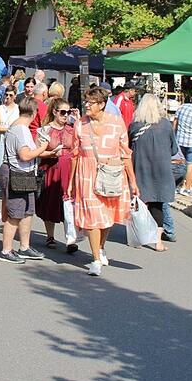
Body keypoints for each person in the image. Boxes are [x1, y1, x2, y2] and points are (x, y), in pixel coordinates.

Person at [67, 86, 138, 276]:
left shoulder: (117, 123)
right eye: (86, 102)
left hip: (111, 175)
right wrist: (71, 182)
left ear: (102, 104)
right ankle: (96, 260)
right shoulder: (80, 124)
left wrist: (133, 181)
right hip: (86, 175)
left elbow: (125, 154)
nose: (87, 105)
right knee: (93, 219)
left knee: (107, 217)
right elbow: (74, 154)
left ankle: (100, 248)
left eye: (91, 103)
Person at [0, 97, 48, 264]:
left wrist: (46, 150)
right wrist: (42, 148)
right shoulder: (20, 130)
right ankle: (6, 250)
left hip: (23, 173)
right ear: (34, 113)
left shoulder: (19, 127)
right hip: (16, 172)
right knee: (15, 213)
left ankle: (24, 247)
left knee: (27, 210)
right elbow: (25, 155)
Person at [128, 94, 178, 252]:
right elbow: (174, 150)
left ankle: (138, 238)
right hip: (161, 170)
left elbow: (128, 148)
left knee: (139, 203)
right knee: (158, 204)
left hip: (140, 167)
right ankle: (158, 242)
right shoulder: (166, 125)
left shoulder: (135, 126)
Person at [37, 97, 78, 253]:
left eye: (68, 112)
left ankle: (70, 239)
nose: (66, 115)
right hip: (52, 169)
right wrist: (51, 153)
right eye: (63, 112)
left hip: (69, 169)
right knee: (51, 203)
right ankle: (50, 236)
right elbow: (38, 151)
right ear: (55, 112)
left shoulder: (72, 129)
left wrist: (78, 120)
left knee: (69, 204)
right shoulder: (46, 130)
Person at [0, 87, 19, 178]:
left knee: (12, 163)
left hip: (13, 139)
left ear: (15, 96)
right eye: (6, 94)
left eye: (11, 95)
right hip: (0, 138)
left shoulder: (18, 109)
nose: (8, 97)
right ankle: (2, 184)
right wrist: (9, 129)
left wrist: (6, 129)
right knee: (0, 164)